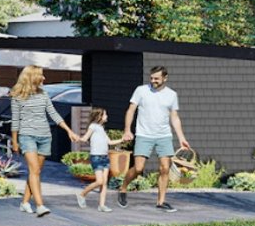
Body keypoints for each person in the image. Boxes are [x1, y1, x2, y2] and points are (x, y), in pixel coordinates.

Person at [9, 65, 80, 217]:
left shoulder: (44, 94)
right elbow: (15, 121)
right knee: (34, 170)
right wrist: (15, 141)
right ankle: (40, 205)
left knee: (36, 172)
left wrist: (69, 131)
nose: (44, 78)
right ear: (32, 77)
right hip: (27, 136)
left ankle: (24, 202)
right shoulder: (17, 96)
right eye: (41, 75)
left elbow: (53, 113)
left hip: (45, 136)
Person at [117, 65, 190, 211]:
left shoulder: (172, 95)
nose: (153, 80)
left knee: (164, 168)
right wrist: (127, 130)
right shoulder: (141, 90)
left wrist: (181, 137)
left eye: (156, 78)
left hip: (164, 136)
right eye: (151, 78)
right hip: (144, 134)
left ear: (165, 78)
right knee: (138, 168)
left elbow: (174, 117)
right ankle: (123, 188)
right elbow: (131, 110)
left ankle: (161, 202)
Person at [75, 108, 113, 212]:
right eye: (105, 114)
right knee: (100, 181)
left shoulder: (101, 128)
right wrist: (78, 138)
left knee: (104, 183)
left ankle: (102, 205)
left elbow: (109, 142)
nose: (107, 116)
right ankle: (82, 194)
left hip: (105, 157)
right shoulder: (93, 126)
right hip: (96, 157)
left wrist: (123, 139)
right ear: (99, 116)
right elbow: (85, 137)